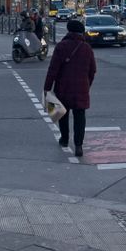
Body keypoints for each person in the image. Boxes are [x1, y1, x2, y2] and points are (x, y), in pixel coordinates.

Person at [43, 19, 96, 157]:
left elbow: (53, 69)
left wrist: (47, 88)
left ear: (69, 31)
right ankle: (79, 145)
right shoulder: (87, 48)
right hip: (81, 88)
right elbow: (93, 70)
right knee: (80, 117)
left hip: (63, 87)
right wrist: (87, 84)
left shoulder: (61, 46)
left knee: (62, 114)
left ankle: (65, 139)